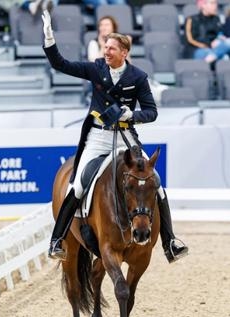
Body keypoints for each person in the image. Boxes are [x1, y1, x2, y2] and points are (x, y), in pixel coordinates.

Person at [40, 10, 189, 263]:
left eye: (111, 48)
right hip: (98, 136)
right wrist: (49, 40)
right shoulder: (96, 68)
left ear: (124, 52)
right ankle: (57, 240)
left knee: (156, 182)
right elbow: (61, 64)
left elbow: (151, 112)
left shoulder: (138, 77)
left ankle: (169, 241)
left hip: (126, 137)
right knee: (77, 185)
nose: (106, 51)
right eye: (105, 47)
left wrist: (132, 115)